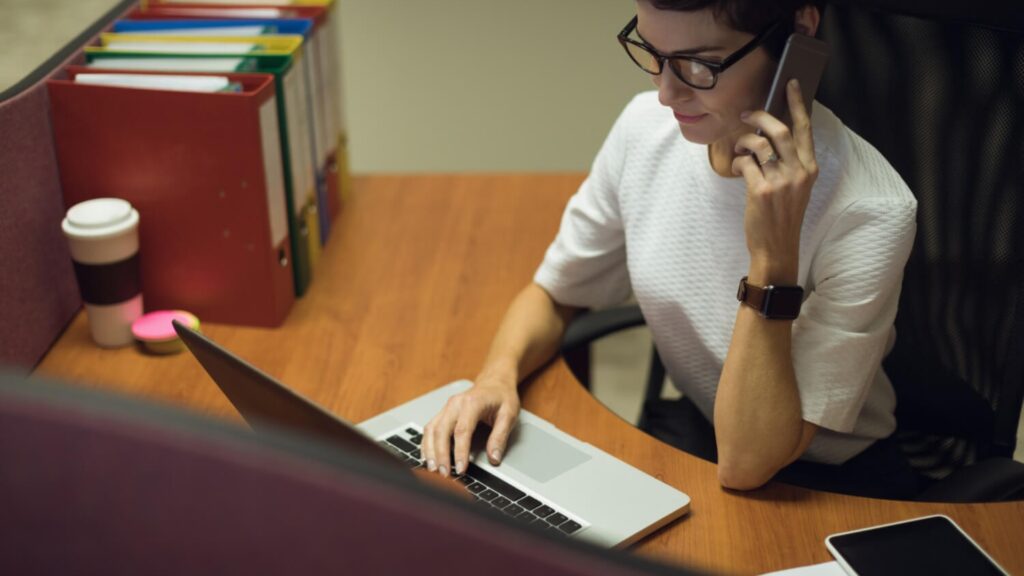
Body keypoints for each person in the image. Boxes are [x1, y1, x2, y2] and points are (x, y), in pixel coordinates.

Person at [422, 0, 921, 499]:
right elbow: (555, 293)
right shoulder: (645, 130)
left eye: (699, 65)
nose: (665, 93)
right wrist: (495, 377)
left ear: (799, 32)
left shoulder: (871, 207)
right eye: (653, 53)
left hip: (830, 485)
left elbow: (748, 464)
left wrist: (772, 257)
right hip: (699, 434)